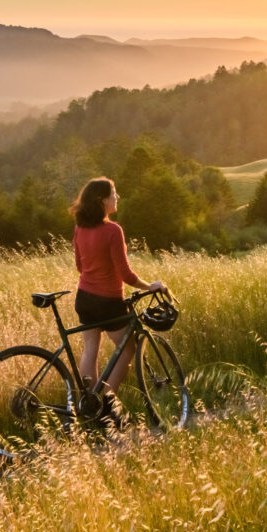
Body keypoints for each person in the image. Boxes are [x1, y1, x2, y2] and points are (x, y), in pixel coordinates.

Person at [69, 176, 168, 425]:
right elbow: (126, 275)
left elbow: (80, 265)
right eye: (114, 193)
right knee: (128, 348)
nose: (117, 197)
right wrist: (151, 286)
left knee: (90, 350)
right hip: (108, 301)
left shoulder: (80, 228)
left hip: (84, 298)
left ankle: (89, 404)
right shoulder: (113, 230)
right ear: (103, 200)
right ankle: (109, 404)